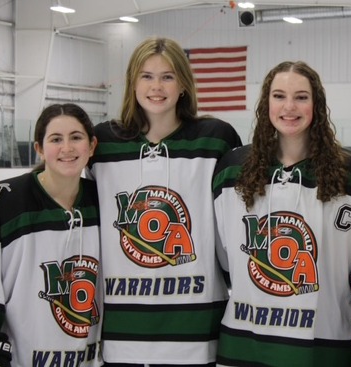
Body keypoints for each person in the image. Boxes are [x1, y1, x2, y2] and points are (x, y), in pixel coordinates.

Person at [212, 61, 351, 366]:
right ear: (266, 104)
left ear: (317, 104)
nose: (289, 107)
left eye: (301, 97)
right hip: (243, 345)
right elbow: (225, 259)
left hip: (323, 348)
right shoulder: (231, 170)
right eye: (279, 96)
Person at [86, 37, 242, 366]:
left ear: (183, 84)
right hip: (123, 331)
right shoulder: (103, 144)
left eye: (167, 77)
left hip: (197, 326)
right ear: (132, 82)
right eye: (147, 76)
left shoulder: (216, 138)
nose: (156, 87)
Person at [0, 103, 102, 367]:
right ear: (39, 148)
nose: (67, 148)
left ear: (91, 146)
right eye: (56, 139)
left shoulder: (103, 200)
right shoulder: (0, 202)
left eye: (76, 137)